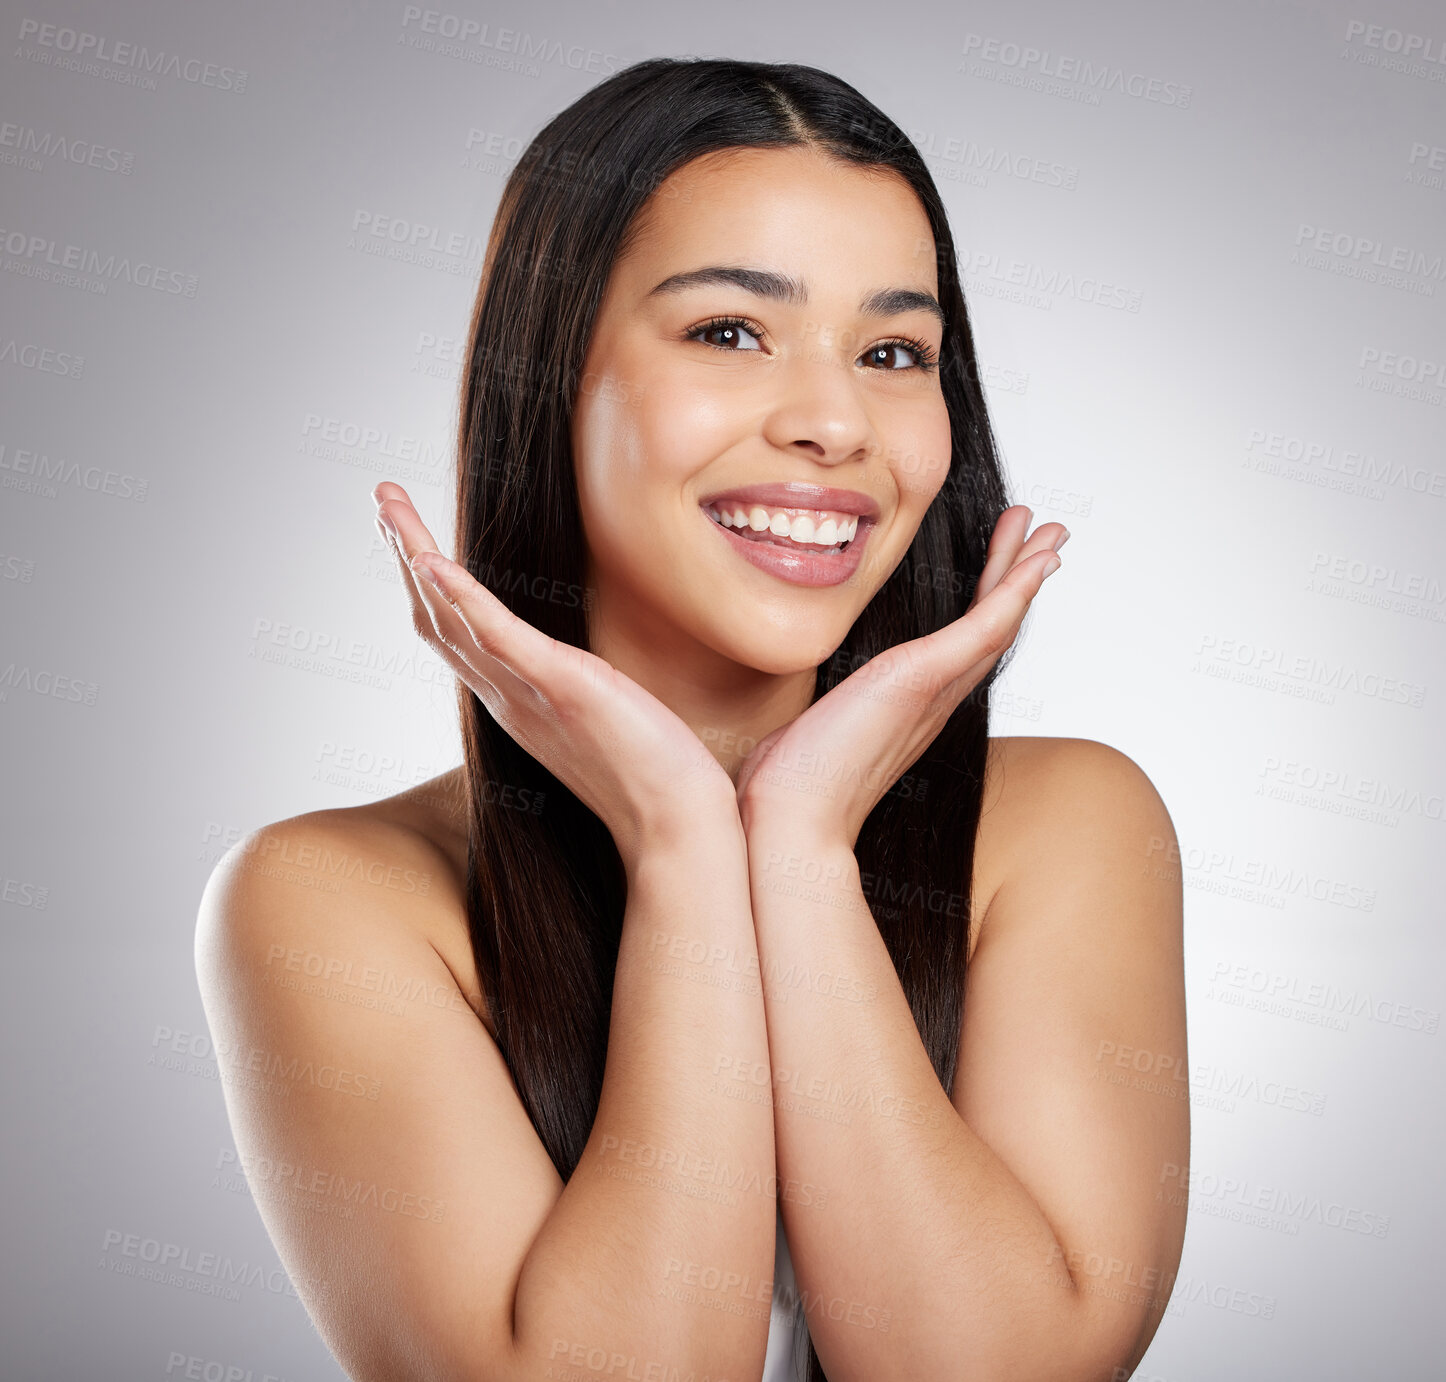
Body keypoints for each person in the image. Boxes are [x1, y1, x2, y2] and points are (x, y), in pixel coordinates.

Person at [195, 57, 1188, 1382]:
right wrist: (677, 837)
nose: (835, 422)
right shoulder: (334, 900)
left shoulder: (1066, 825)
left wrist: (797, 842)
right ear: (553, 379)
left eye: (893, 351)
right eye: (729, 330)